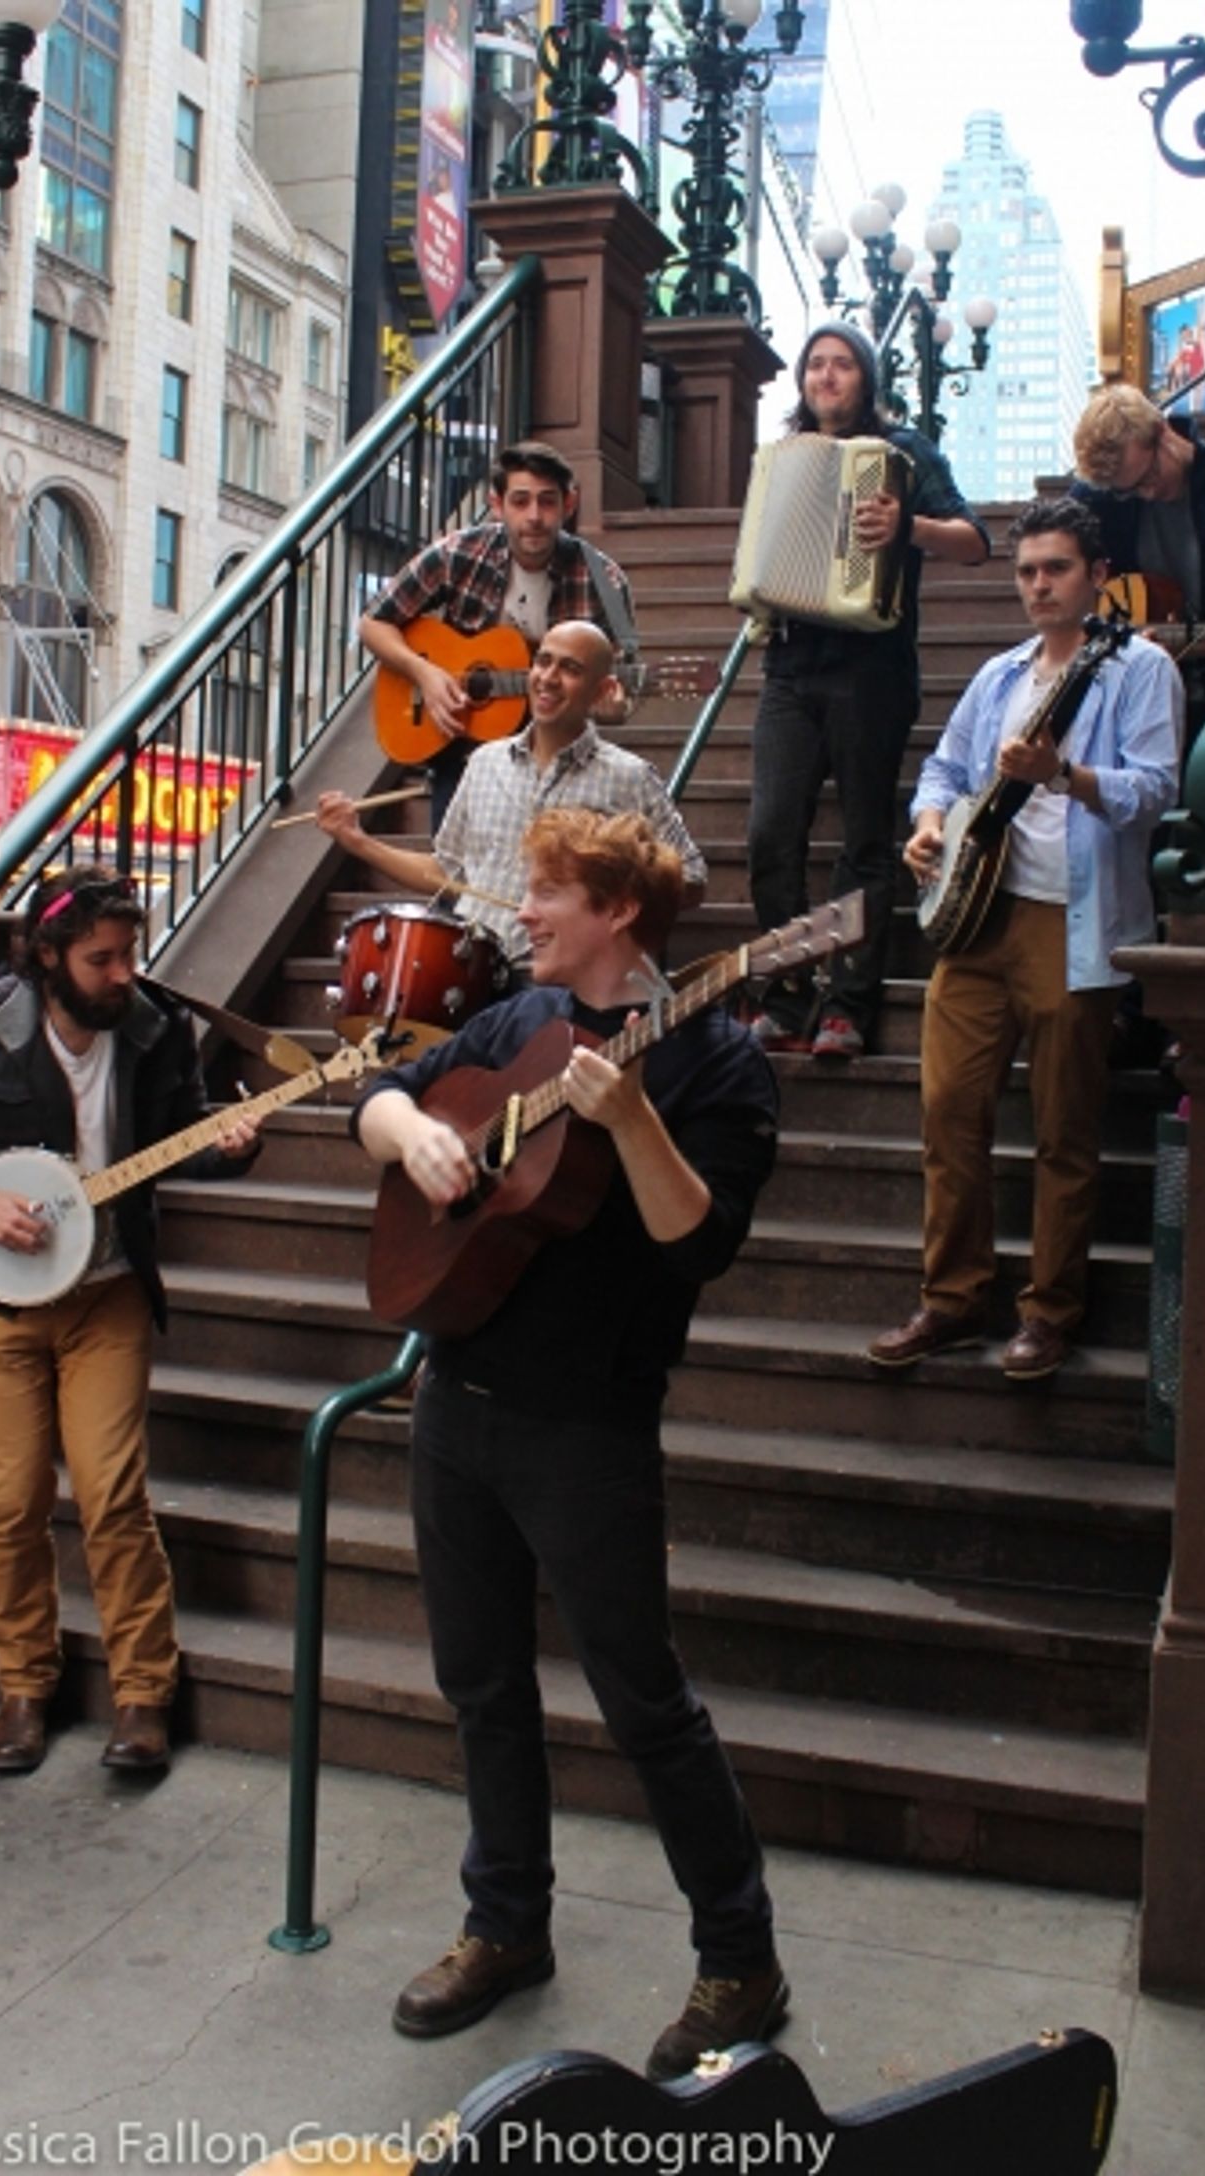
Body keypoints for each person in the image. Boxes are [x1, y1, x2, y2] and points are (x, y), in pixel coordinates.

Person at [352, 808, 786, 2081]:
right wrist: (415, 1135)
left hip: (586, 1423)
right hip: (457, 1398)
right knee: (480, 1685)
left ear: (616, 914)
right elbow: (376, 1096)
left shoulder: (717, 1061)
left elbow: (697, 1244)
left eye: (545, 894)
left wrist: (633, 1120)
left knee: (642, 1701)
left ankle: (739, 1956)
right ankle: (504, 1928)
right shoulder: (504, 1025)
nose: (521, 913)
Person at [0, 865, 262, 1777]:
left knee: (112, 1496)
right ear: (47, 958)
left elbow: (180, 1144)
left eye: (131, 952)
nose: (124, 972)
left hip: (108, 1294)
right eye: (102, 959)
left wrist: (232, 1149)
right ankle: (24, 1688)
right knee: (8, 1508)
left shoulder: (154, 1028)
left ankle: (143, 1696)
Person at [865, 498, 1183, 1383]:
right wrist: (928, 824)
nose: (1039, 585)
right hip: (979, 914)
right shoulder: (1001, 675)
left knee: (1063, 1130)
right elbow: (944, 768)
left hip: (1073, 922)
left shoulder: (1139, 668)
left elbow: (1157, 790)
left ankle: (1049, 1312)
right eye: (1027, 571)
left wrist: (1066, 776)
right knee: (947, 1112)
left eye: (1057, 569)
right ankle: (952, 1298)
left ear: (1096, 575)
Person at [748, 321, 989, 1059]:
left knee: (862, 840)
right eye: (815, 365)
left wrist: (907, 524)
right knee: (770, 834)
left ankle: (848, 1004)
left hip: (870, 668)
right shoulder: (783, 457)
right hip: (790, 665)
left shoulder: (906, 453)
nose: (826, 377)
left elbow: (975, 542)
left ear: (867, 378)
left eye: (842, 365)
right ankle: (784, 995)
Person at [318, 618, 706, 977]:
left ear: (602, 690)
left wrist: (607, 891)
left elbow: (690, 879)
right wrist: (357, 841)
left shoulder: (629, 777)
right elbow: (446, 872)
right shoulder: (484, 762)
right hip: (472, 973)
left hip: (565, 983)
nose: (548, 678)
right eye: (543, 662)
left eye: (570, 669)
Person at [358, 438, 636, 829]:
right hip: (464, 746)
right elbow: (374, 622)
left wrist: (615, 706)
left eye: (548, 501)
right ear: (496, 504)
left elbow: (623, 688)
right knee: (454, 876)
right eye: (520, 501)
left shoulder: (604, 581)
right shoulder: (460, 553)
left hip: (556, 757)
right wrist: (425, 675)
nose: (535, 516)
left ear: (568, 505)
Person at [1072, 381, 1205, 745]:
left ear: (1163, 431)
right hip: (1137, 713)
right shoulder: (1108, 502)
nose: (1144, 493)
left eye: (1148, 476)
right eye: (1128, 489)